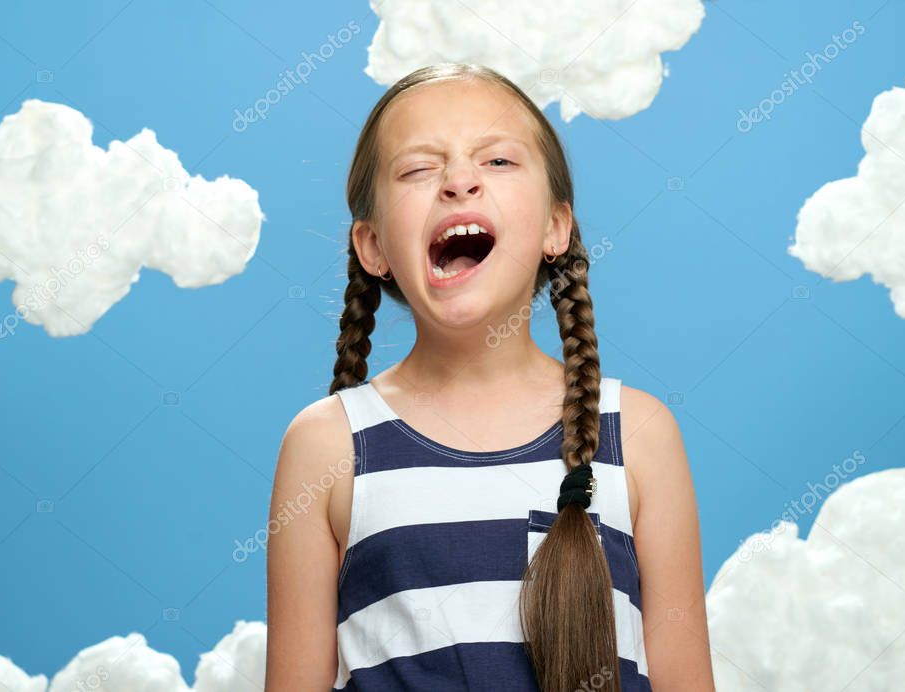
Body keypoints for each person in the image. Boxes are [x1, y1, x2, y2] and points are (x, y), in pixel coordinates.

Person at [266, 62, 714, 691]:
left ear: (556, 227)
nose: (458, 182)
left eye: (498, 162)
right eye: (419, 168)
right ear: (372, 247)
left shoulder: (638, 434)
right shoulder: (326, 445)